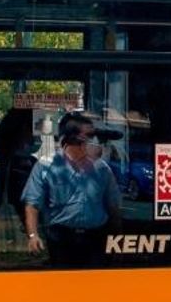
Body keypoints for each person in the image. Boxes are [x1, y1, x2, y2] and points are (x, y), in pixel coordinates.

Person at [21, 112, 121, 267]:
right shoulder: (47, 165)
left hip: (95, 239)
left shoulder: (101, 169)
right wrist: (33, 235)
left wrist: (116, 238)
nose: (95, 140)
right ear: (73, 138)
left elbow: (113, 206)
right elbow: (32, 204)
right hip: (61, 239)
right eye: (90, 135)